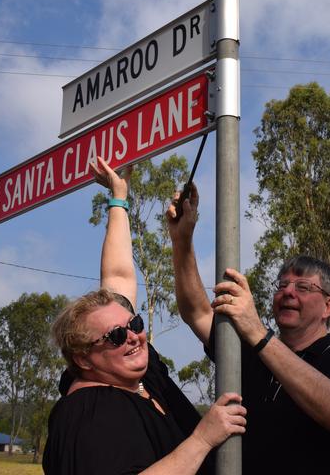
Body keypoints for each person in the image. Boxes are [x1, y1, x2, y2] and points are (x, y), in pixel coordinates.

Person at [42, 159, 246, 475]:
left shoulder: (141, 374)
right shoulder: (88, 413)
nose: (134, 337)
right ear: (83, 359)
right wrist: (202, 440)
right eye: (116, 336)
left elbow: (118, 276)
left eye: (134, 324)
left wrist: (118, 198)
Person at [167, 183, 330, 475]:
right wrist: (182, 240)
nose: (288, 293)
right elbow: (196, 312)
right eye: (282, 286)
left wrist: (258, 333)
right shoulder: (248, 350)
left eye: (303, 287)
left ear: (329, 306)